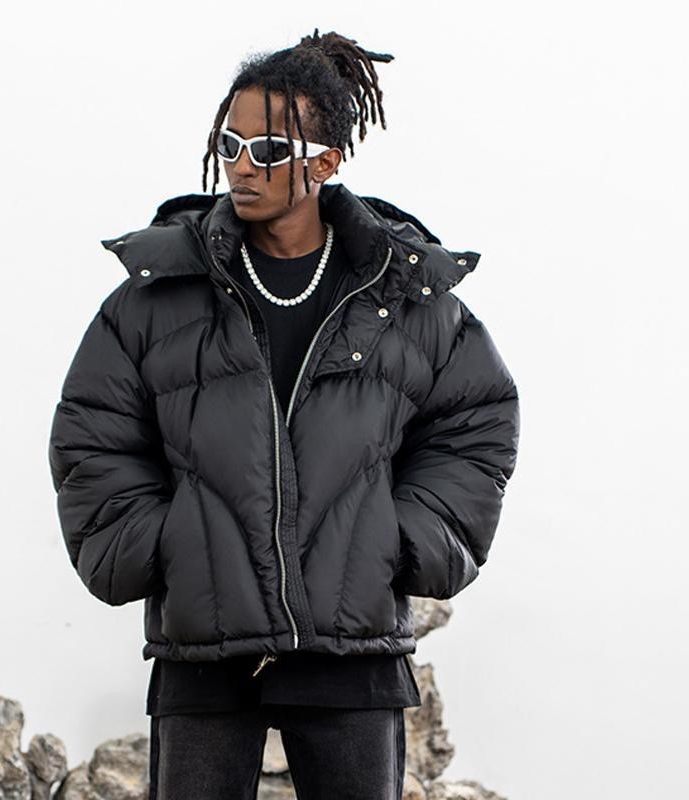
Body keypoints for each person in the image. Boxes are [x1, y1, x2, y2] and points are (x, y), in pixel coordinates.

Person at [48, 28, 520, 800]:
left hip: (353, 654)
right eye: (230, 144)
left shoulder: (404, 295)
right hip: (205, 652)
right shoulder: (157, 297)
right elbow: (92, 433)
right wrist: (165, 541)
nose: (242, 165)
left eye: (268, 150)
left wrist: (399, 537)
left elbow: (477, 423)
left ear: (326, 162)